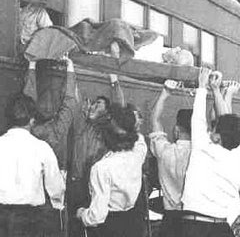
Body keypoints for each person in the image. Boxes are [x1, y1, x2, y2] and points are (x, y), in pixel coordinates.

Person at [181, 67, 240, 237]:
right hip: (221, 229)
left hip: (191, 227)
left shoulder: (201, 148)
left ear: (217, 137)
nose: (209, 132)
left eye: (213, 130)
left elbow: (197, 119)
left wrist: (202, 87)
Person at [76, 103, 147, 237]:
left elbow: (97, 216)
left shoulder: (102, 168)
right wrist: (132, 122)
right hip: (134, 222)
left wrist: (82, 214)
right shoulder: (138, 153)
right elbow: (138, 138)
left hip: (111, 227)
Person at [0, 92, 65, 237]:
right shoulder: (42, 147)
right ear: (32, 120)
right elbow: (56, 188)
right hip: (30, 220)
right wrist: (58, 204)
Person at [149, 79, 192, 237]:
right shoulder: (201, 154)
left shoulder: (165, 151)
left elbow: (155, 120)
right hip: (194, 218)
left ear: (176, 130)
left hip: (170, 217)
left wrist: (165, 93)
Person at [23, 56, 77, 170]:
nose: (47, 106)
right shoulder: (58, 129)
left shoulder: (28, 128)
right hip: (53, 178)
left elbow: (28, 97)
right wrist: (70, 65)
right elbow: (69, 101)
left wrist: (32, 63)